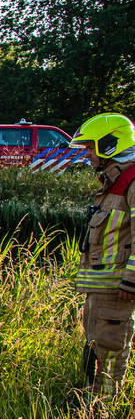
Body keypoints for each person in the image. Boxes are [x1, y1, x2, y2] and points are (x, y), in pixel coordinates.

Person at [70, 112, 135, 399]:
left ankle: (102, 407)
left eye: (90, 147)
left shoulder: (132, 181)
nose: (87, 154)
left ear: (110, 144)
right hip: (103, 285)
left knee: (109, 346)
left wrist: (131, 281)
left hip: (118, 287)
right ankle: (91, 398)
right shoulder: (114, 182)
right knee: (96, 345)